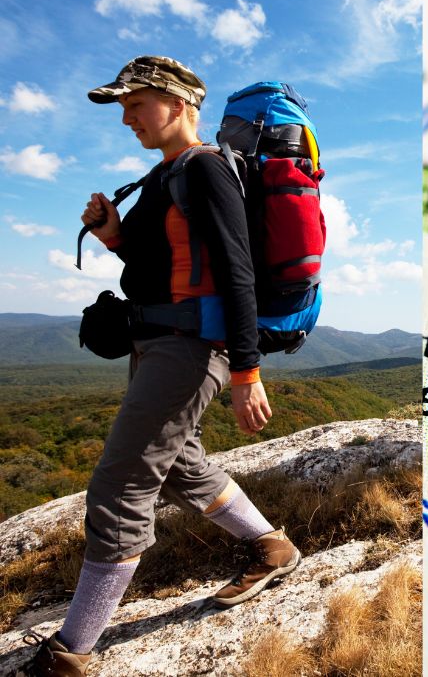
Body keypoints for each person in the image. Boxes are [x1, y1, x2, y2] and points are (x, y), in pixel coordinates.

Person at [18, 57, 301, 677]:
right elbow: (157, 261)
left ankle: (74, 651)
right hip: (158, 342)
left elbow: (237, 274)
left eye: (135, 105)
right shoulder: (163, 175)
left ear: (178, 104)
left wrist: (247, 372)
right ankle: (272, 548)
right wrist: (113, 233)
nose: (127, 118)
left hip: (192, 349)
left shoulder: (206, 171)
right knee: (178, 464)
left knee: (121, 484)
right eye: (123, 108)